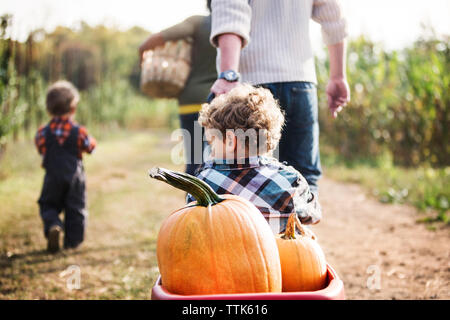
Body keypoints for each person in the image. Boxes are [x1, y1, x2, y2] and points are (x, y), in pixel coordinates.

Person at [208, 0, 351, 195]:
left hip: (250, 86)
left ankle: (247, 226)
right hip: (301, 82)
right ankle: (297, 224)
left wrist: (228, 74)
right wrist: (337, 76)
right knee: (303, 181)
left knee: (239, 178)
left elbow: (231, 10)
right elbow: (333, 13)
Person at [187, 84, 321, 234]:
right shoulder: (290, 181)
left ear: (231, 141)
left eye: (212, 144)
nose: (211, 153)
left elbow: (193, 224)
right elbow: (312, 216)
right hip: (281, 255)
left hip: (222, 253)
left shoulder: (204, 181)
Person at [139, 0, 217, 175]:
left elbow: (152, 41)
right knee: (223, 160)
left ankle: (193, 201)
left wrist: (141, 54)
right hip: (223, 102)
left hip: (191, 100)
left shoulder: (198, 23)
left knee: (195, 160)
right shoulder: (237, 26)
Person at [35, 80, 96, 253]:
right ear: (73, 108)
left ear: (48, 109)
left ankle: (54, 225)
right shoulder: (79, 131)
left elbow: (41, 149)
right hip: (74, 177)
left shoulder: (42, 132)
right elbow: (90, 147)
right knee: (75, 208)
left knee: (48, 205)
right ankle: (72, 242)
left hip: (52, 176)